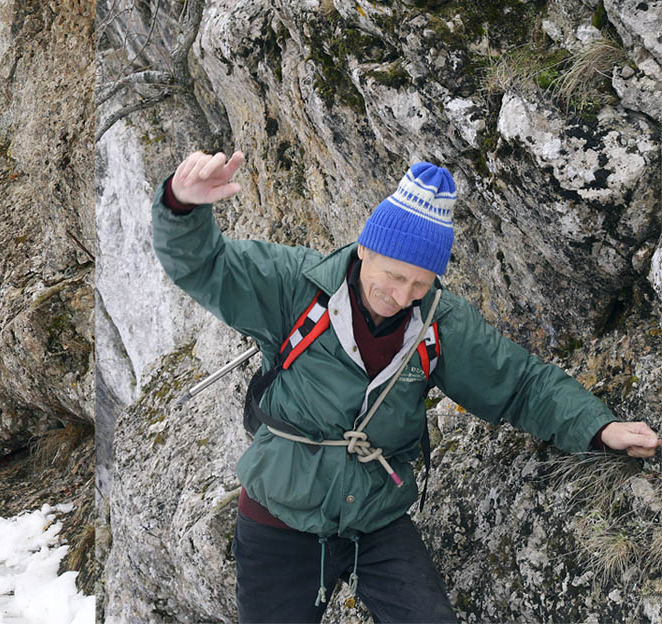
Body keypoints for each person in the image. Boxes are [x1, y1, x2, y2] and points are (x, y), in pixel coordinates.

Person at [151, 151, 660, 623]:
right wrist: (181, 206)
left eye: (419, 284)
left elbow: (521, 385)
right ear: (366, 247)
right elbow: (205, 266)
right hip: (279, 516)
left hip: (376, 517)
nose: (400, 296)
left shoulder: (441, 322)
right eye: (393, 276)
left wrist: (600, 426)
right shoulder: (294, 285)